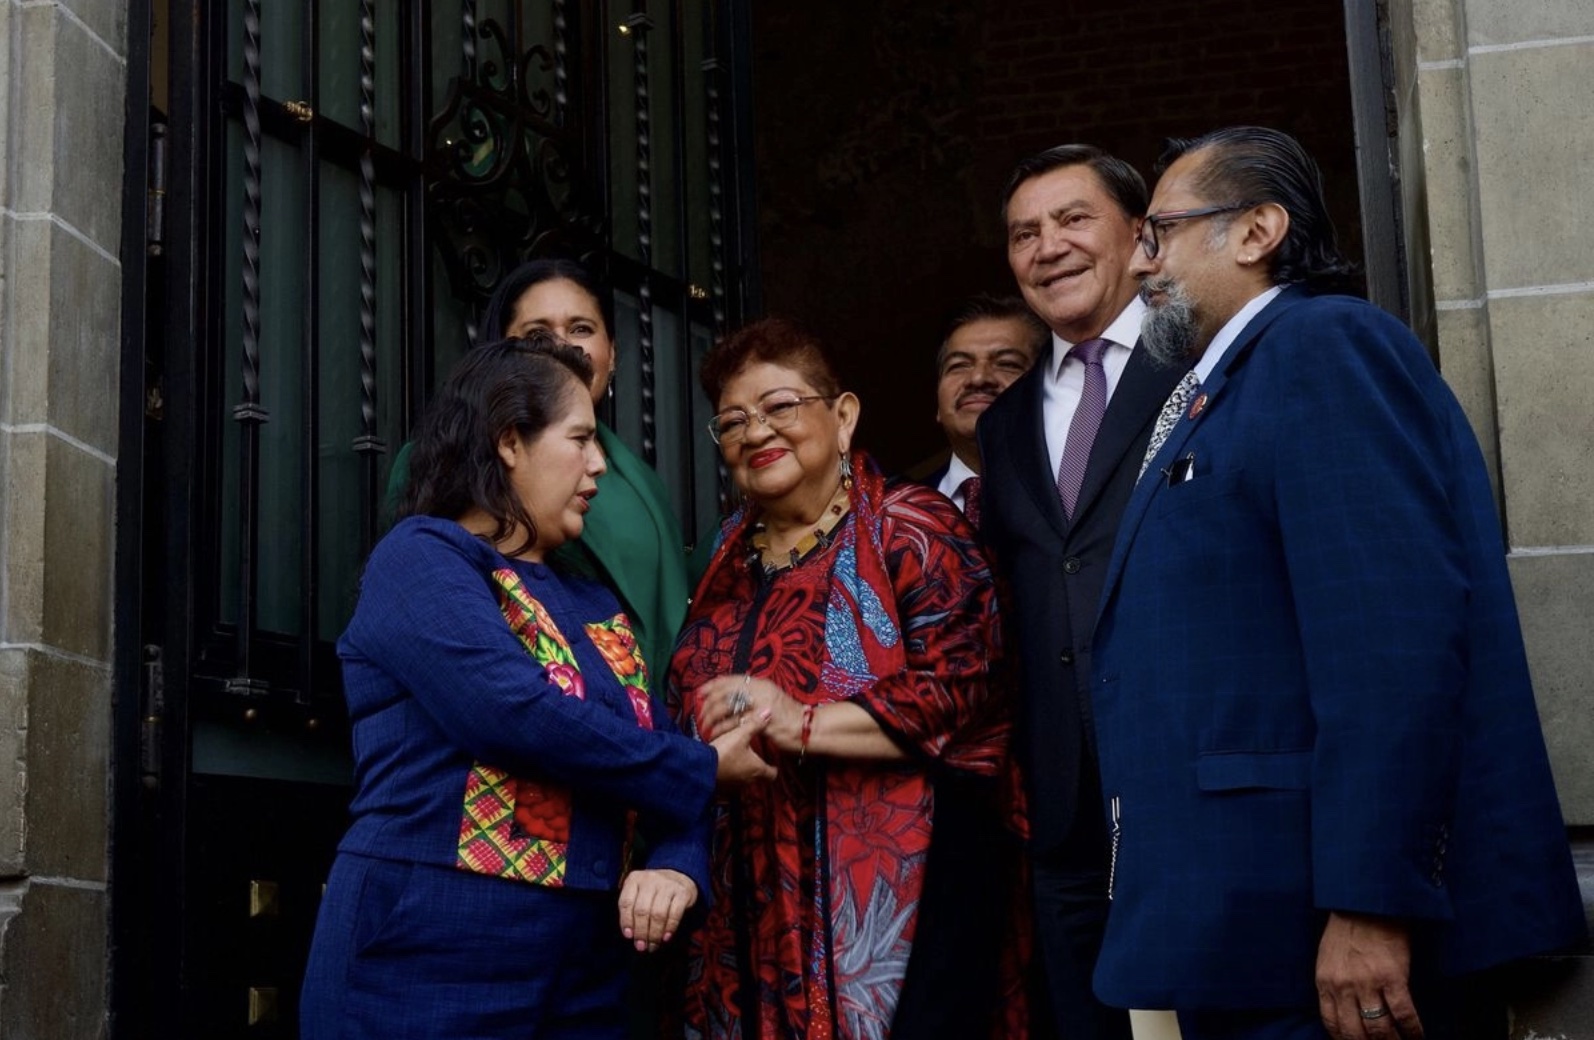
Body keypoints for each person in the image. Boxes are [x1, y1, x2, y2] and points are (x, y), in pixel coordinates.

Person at [1094, 125, 1585, 1040]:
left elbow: (1389, 643)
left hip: (1323, 938)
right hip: (1239, 929)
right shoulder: (1220, 387)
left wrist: (1371, 903)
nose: (1139, 264)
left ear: (1257, 230)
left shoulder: (1323, 346)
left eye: (1160, 232)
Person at [301, 336, 775, 1040]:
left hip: (588, 968)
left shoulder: (595, 604)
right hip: (427, 951)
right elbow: (512, 712)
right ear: (509, 442)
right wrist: (704, 767)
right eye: (580, 438)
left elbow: (658, 752)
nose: (600, 463)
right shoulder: (424, 557)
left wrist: (678, 865)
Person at [666, 318, 1012, 1040]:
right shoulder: (725, 552)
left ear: (844, 415)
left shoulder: (909, 525)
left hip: (902, 888)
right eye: (732, 421)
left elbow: (962, 690)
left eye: (780, 406)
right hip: (745, 891)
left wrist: (799, 721)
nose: (756, 431)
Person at [977, 144, 1189, 1040]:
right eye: (1024, 234)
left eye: (1072, 220)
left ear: (1140, 235)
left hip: (1188, 782)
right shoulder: (1003, 423)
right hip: (1064, 809)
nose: (1047, 247)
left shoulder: (1204, 363)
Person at [388, 257, 693, 674]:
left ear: (613, 353)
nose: (562, 347)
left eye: (581, 329)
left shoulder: (643, 483)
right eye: (537, 335)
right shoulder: (440, 459)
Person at [928, 294, 1047, 525]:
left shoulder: (1075, 491)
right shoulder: (894, 513)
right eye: (959, 365)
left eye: (1007, 364)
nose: (978, 378)